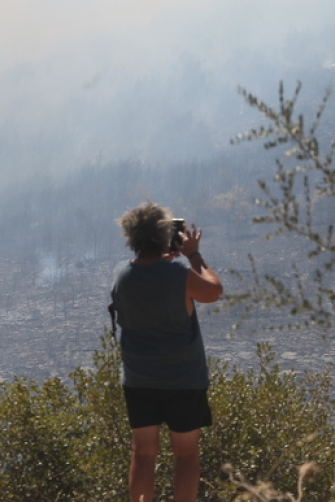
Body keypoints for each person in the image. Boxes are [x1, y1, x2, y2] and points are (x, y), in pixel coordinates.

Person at [111, 202, 223, 502]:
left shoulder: (122, 273)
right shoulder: (178, 273)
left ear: (131, 237)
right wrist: (193, 255)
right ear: (165, 235)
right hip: (183, 380)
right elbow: (213, 291)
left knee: (143, 453)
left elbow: (148, 282)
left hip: (138, 379)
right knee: (186, 455)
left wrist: (167, 259)